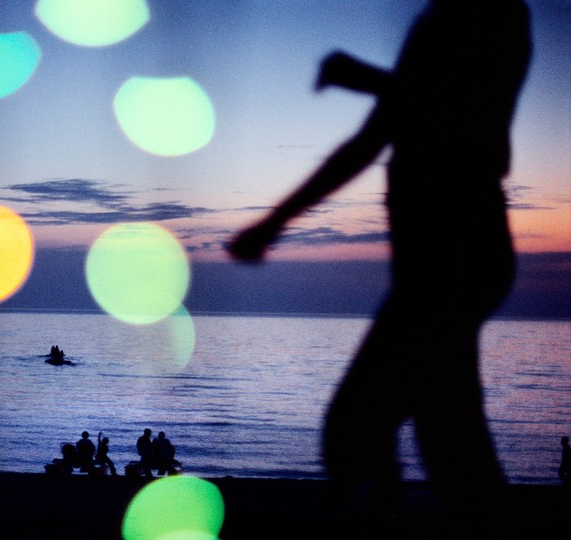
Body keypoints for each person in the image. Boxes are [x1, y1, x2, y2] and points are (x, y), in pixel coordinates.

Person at [229, 0, 531, 531]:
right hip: (439, 267)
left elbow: (454, 109)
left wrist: (360, 75)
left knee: (361, 431)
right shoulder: (443, 19)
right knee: (440, 438)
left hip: (455, 256)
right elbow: (373, 138)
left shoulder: (492, 15)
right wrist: (273, 223)